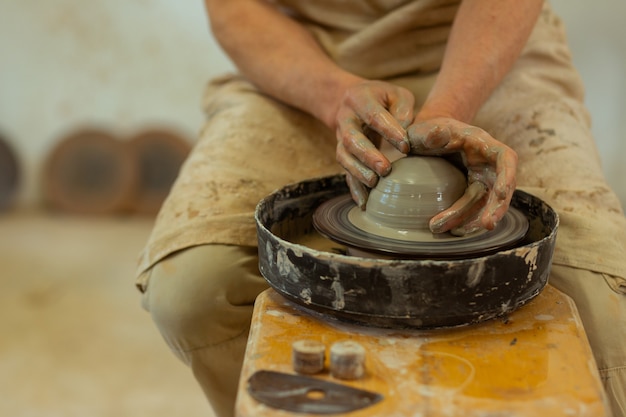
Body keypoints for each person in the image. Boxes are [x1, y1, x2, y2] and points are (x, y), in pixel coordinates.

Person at [135, 1, 626, 416]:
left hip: (482, 49)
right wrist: (332, 95)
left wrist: (451, 106)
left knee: (606, 309)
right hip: (307, 56)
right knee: (192, 289)